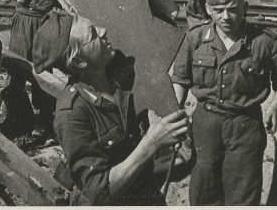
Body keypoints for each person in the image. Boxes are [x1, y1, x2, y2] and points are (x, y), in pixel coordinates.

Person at [171, 0, 277, 205]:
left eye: (233, 10)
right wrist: (174, 119)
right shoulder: (195, 38)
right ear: (208, 10)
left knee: (243, 196)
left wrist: (273, 106)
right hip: (205, 124)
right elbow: (180, 81)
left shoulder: (264, 42)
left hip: (245, 126)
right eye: (218, 10)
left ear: (244, 7)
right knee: (203, 192)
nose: (226, 17)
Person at [55, 16, 190, 205]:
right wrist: (151, 143)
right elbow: (99, 191)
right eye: (93, 34)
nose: (103, 31)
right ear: (79, 60)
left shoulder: (119, 82)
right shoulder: (71, 113)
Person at [3, 0, 68, 138]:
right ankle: (15, 118)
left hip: (46, 23)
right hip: (24, 22)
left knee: (44, 68)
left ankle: (42, 123)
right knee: (17, 68)